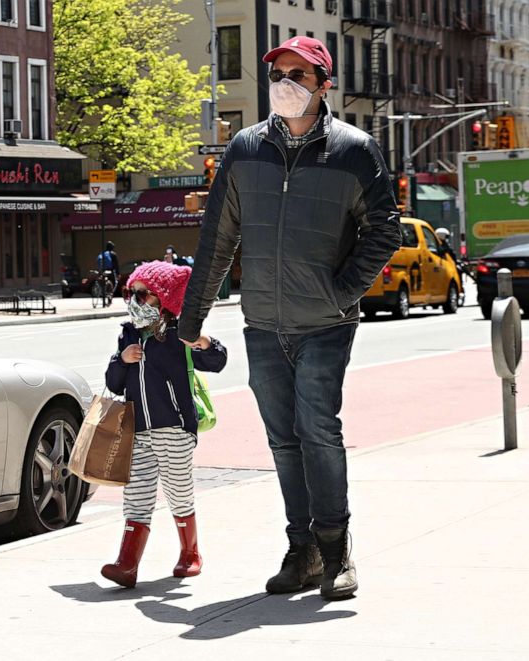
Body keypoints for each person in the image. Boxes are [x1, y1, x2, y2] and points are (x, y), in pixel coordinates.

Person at [178, 35, 401, 600]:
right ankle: (300, 550)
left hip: (326, 324)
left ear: (324, 84)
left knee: (317, 431)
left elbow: (385, 230)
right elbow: (218, 237)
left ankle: (335, 552)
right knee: (283, 441)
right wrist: (191, 317)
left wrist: (343, 291)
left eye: (299, 74)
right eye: (279, 72)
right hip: (263, 325)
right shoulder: (245, 149)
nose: (285, 83)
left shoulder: (354, 150)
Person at [102, 261, 227, 588]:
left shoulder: (177, 332)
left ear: (163, 297)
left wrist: (202, 341)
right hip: (138, 429)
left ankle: (191, 554)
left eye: (143, 294)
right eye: (131, 293)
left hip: (173, 425)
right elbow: (114, 384)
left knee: (178, 490)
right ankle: (126, 563)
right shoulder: (128, 333)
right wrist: (121, 360)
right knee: (137, 494)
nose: (134, 300)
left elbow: (217, 360)